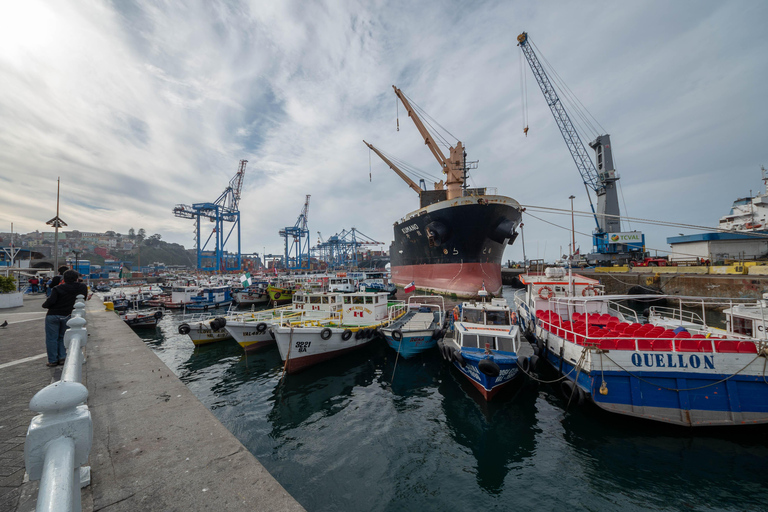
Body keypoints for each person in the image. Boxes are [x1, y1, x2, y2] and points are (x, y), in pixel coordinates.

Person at [42, 270, 87, 367]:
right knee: (63, 336)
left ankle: (52, 360)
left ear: (64, 279)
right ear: (76, 278)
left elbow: (50, 302)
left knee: (51, 338)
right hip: (67, 315)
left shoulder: (57, 288)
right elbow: (84, 297)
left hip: (53, 315)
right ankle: (62, 357)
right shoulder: (81, 287)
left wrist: (45, 305)